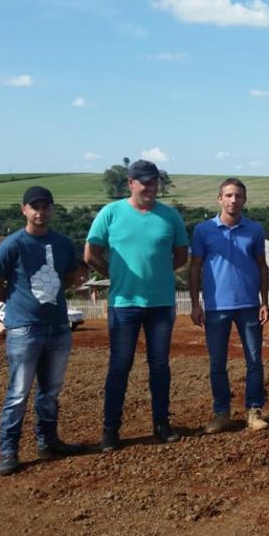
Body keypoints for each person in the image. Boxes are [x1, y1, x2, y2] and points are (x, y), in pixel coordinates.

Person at [85, 159, 189, 451]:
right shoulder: (111, 213)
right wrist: (114, 274)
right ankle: (110, 429)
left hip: (161, 303)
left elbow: (181, 255)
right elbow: (90, 252)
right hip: (123, 303)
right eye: (144, 181)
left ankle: (161, 423)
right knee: (120, 365)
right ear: (130, 183)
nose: (150, 186)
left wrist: (160, 273)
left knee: (159, 365)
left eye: (154, 181)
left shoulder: (170, 216)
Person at [0, 187, 87, 476]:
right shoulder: (13, 245)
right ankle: (8, 450)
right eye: (35, 207)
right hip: (24, 328)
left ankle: (48, 440)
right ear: (24, 210)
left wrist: (54, 291)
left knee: (50, 391)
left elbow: (69, 275)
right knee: (18, 392)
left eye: (45, 206)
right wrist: (15, 300)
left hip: (57, 327)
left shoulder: (63, 244)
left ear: (52, 210)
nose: (40, 212)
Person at [190, 178, 269, 434]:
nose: (233, 200)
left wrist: (264, 301)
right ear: (219, 199)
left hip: (248, 305)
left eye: (238, 196)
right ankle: (221, 412)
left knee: (255, 360)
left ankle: (254, 410)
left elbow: (262, 267)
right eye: (229, 195)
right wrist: (195, 303)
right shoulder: (203, 230)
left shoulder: (255, 230)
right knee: (217, 363)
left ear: (244, 200)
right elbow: (195, 268)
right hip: (215, 307)